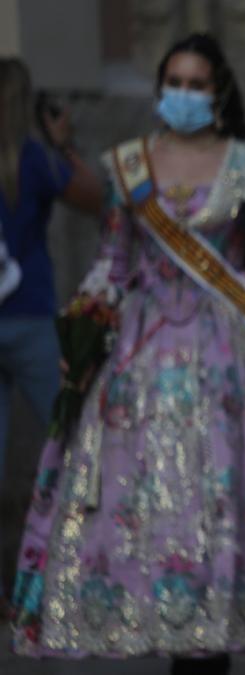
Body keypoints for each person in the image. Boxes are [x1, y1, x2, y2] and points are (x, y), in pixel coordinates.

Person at [8, 34, 245, 674]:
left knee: (224, 507)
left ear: (219, 93)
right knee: (151, 510)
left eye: (197, 84)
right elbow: (110, 269)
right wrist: (83, 335)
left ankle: (217, 639)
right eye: (173, 81)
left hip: (230, 364)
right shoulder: (127, 167)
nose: (183, 94)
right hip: (139, 366)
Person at [0, 58, 103, 495]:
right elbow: (96, 198)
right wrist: (64, 144)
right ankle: (93, 534)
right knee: (70, 432)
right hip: (30, 316)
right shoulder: (35, 160)